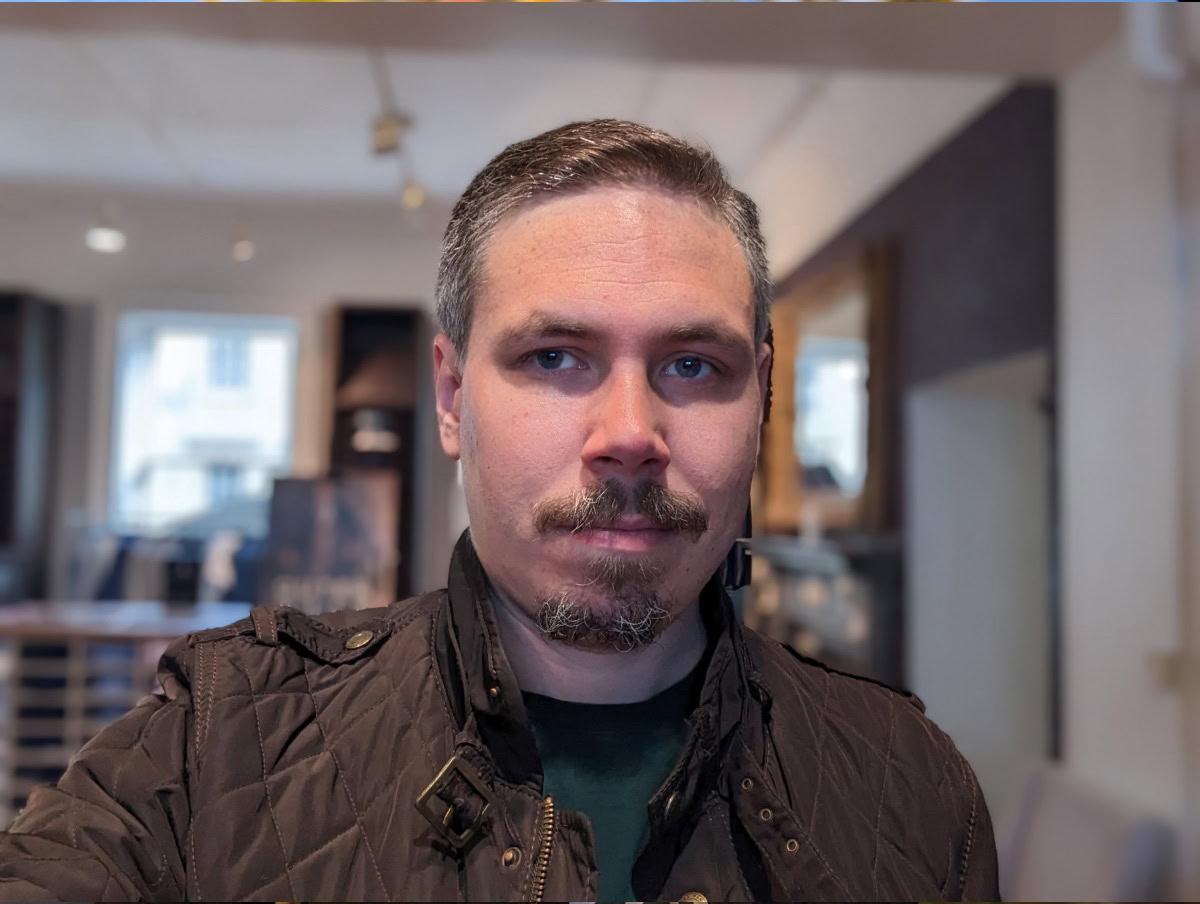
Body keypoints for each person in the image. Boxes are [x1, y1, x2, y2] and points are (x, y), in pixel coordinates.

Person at [0, 120, 997, 903]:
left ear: (763, 399)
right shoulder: (221, 746)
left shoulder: (911, 787)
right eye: (555, 357)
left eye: (693, 365)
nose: (630, 433)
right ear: (450, 397)